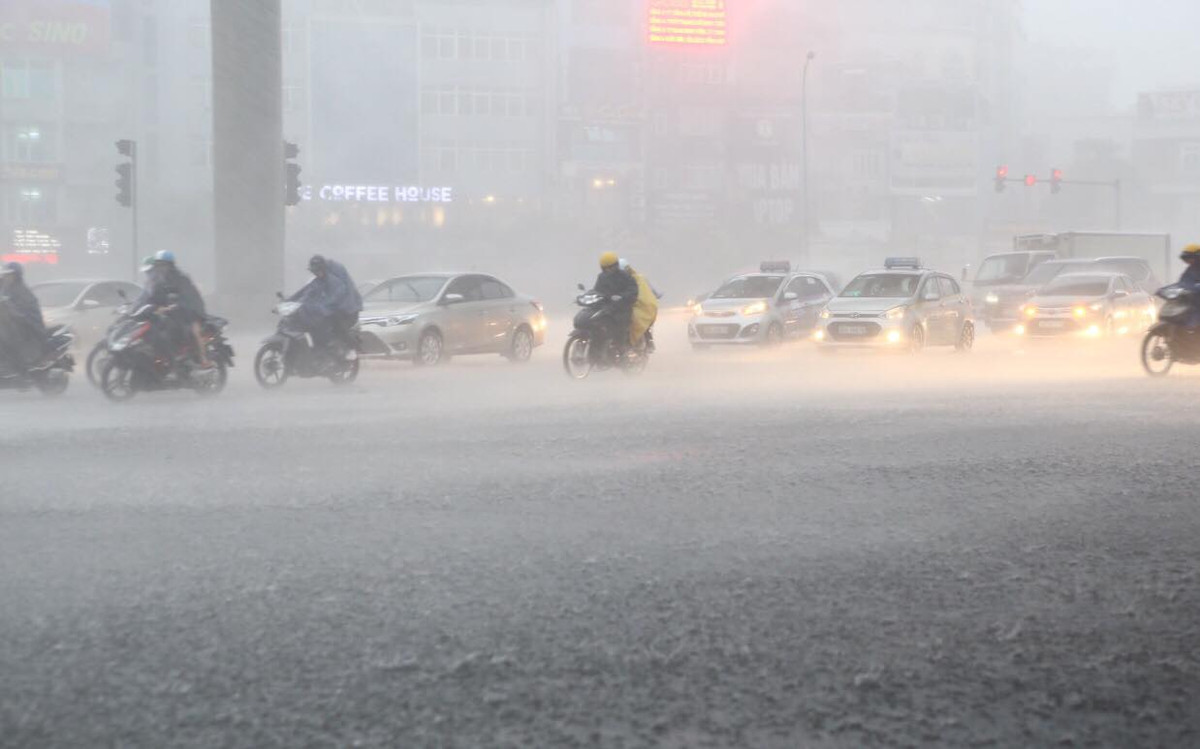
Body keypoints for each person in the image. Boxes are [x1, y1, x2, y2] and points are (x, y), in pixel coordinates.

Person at [135, 250, 211, 367]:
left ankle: (203, 359)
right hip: (172, 312)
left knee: (194, 331)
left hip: (191, 311)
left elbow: (189, 297)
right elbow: (154, 295)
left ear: (170, 265)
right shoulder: (158, 280)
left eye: (163, 264)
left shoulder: (181, 278)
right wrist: (152, 306)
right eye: (159, 264)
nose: (161, 267)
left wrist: (177, 305)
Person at [288, 255, 362, 354]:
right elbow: (307, 291)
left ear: (323, 269)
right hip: (335, 308)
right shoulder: (319, 280)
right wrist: (290, 301)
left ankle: (349, 349)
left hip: (346, 310)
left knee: (333, 325)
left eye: (317, 271)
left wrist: (323, 306)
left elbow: (337, 295)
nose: (316, 274)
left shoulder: (333, 280)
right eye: (314, 272)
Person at [0, 262, 47, 374]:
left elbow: (19, 313)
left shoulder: (21, 291)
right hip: (14, 323)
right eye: (5, 275)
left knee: (8, 340)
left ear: (17, 276)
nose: (6, 277)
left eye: (9, 275)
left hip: (29, 325)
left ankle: (21, 371)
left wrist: (8, 309)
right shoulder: (7, 288)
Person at [594, 251, 638, 357]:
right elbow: (597, 290)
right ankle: (598, 349)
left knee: (619, 326)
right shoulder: (601, 277)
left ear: (616, 266)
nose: (608, 270)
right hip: (607, 307)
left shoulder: (625, 276)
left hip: (623, 307)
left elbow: (633, 290)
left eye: (611, 267)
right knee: (595, 321)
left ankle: (621, 350)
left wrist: (622, 297)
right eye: (605, 268)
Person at [619, 258, 660, 353]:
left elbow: (653, 291)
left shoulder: (640, 278)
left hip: (642, 305)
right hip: (625, 305)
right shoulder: (615, 281)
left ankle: (648, 342)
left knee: (639, 319)